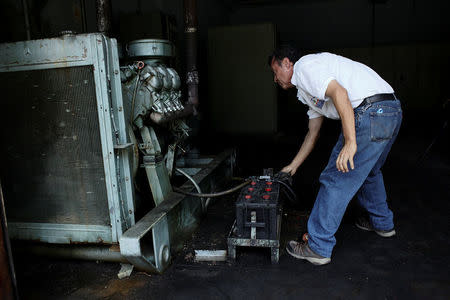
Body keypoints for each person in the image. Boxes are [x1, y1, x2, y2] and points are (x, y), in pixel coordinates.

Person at [268, 45, 402, 265]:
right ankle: (382, 223)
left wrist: (350, 142)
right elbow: (313, 133)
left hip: (369, 112)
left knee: (336, 178)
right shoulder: (307, 91)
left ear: (287, 63)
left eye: (275, 72)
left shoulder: (304, 67)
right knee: (371, 171)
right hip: (390, 110)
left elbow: (340, 93)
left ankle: (318, 246)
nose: (275, 79)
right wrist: (292, 167)